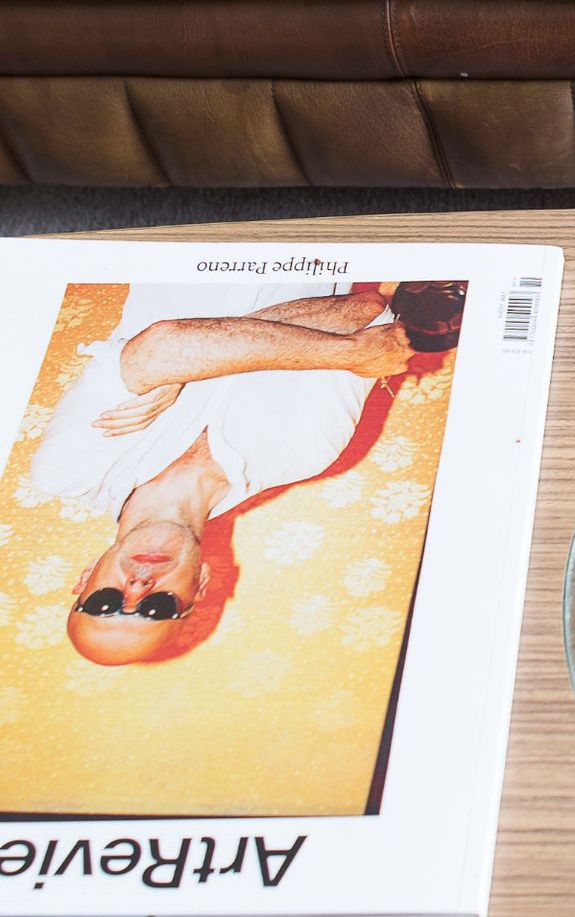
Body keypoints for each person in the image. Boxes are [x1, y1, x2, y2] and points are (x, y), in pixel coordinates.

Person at [30, 281, 419, 667]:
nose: (137, 587)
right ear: (199, 585)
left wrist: (188, 364)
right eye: (157, 607)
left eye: (105, 602)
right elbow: (365, 312)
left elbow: (161, 344)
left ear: (84, 581)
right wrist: (189, 359)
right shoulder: (304, 451)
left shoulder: (67, 471)